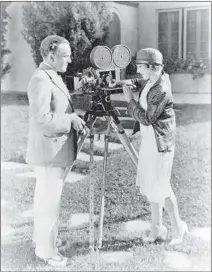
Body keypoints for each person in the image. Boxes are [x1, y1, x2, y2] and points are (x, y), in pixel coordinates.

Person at [26, 35, 86, 267]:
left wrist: (70, 117)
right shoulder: (41, 79)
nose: (70, 60)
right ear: (51, 56)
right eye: (66, 55)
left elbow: (56, 110)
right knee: (50, 202)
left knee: (44, 200)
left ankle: (42, 240)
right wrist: (69, 119)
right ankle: (48, 252)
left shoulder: (52, 76)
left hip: (51, 152)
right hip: (49, 154)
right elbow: (41, 119)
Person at [121, 48, 188, 245]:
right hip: (151, 141)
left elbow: (148, 118)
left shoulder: (161, 89)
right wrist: (127, 84)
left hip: (160, 144)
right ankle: (157, 227)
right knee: (152, 184)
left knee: (161, 186)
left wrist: (130, 101)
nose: (138, 71)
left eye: (140, 67)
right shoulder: (154, 81)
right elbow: (144, 84)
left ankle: (178, 228)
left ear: (151, 67)